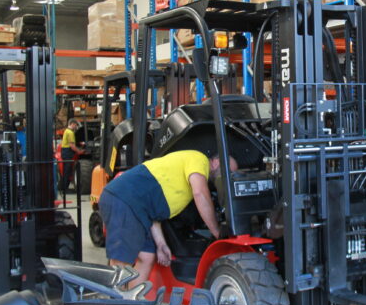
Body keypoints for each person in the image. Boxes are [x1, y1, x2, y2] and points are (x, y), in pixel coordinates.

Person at [98, 150, 236, 287]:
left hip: (137, 206)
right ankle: (115, 304)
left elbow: (154, 213)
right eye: (230, 172)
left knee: (147, 257)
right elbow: (200, 194)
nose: (228, 178)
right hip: (123, 198)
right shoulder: (199, 159)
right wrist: (217, 231)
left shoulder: (181, 176)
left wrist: (161, 244)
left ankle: (134, 301)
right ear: (217, 162)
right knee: (121, 260)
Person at [59, 118, 85, 194]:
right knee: (67, 171)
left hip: (65, 152)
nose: (76, 127)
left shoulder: (66, 131)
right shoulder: (70, 133)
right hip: (67, 153)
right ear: (72, 124)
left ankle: (64, 188)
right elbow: (72, 146)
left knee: (66, 171)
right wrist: (80, 151)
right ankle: (65, 189)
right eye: (76, 125)